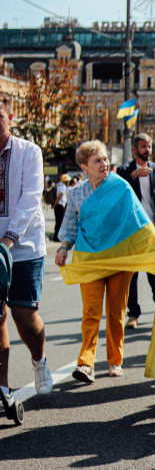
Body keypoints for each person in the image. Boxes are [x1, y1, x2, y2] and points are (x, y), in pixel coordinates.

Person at [56, 140, 155, 383]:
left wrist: (154, 247)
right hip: (89, 259)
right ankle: (86, 363)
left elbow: (137, 221)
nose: (104, 164)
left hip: (118, 260)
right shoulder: (75, 193)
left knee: (115, 312)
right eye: (97, 161)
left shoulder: (120, 187)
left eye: (105, 159)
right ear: (84, 167)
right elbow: (70, 226)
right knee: (90, 312)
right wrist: (63, 248)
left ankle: (115, 360)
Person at [0, 94, 53, 402]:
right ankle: (3, 387)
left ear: (10, 119)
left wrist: (8, 240)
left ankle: (39, 360)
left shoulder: (28, 152)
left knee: (23, 313)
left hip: (24, 248)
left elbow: (31, 199)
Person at [116, 133, 155, 330]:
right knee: (132, 276)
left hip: (152, 229)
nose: (148, 150)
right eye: (144, 147)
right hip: (131, 231)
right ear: (135, 149)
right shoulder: (124, 171)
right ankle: (133, 314)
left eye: (149, 146)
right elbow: (117, 194)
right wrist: (132, 177)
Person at [52, 173, 70, 242]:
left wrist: (54, 205)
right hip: (60, 206)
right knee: (60, 222)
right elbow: (59, 197)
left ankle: (56, 236)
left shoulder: (58, 185)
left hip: (57, 206)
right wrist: (55, 204)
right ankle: (57, 237)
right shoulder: (63, 187)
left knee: (58, 221)